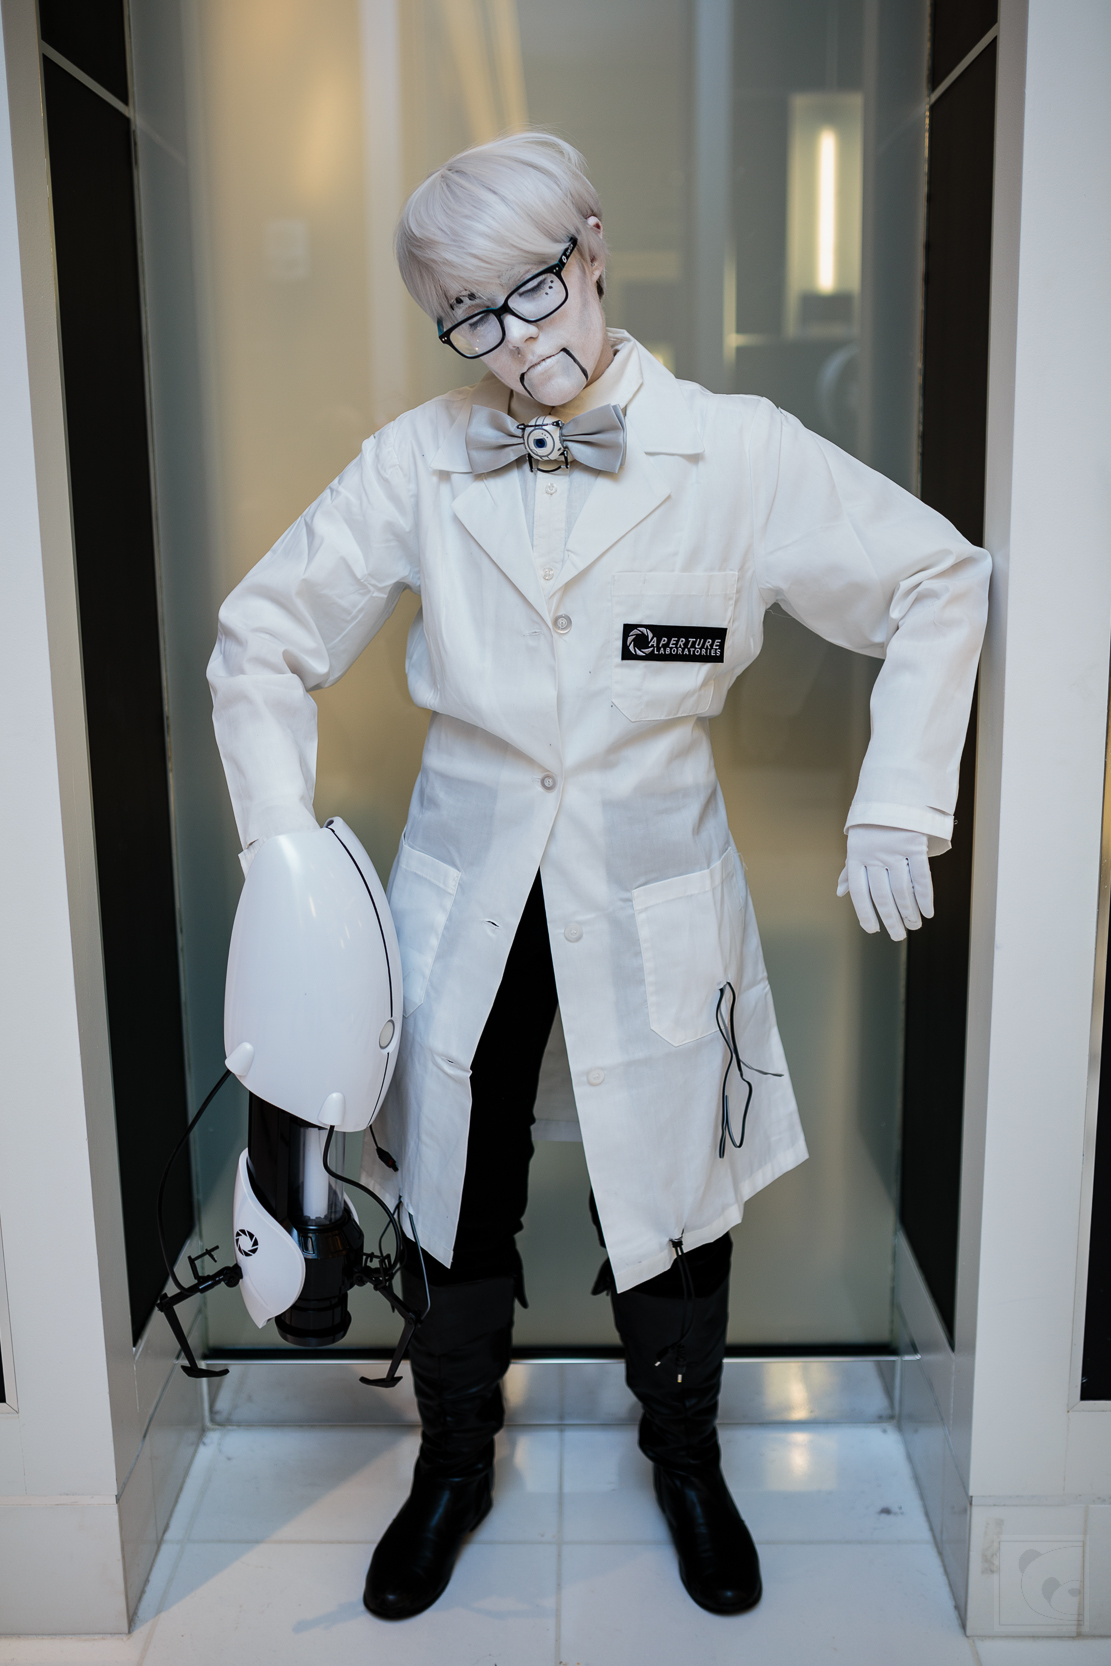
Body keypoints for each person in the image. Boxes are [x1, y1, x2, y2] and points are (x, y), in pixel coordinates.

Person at [208, 132, 990, 1621]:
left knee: (673, 1180)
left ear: (594, 249)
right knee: (454, 1183)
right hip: (472, 881)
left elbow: (938, 576)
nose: (516, 343)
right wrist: (280, 857)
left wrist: (900, 799)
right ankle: (453, 1461)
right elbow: (261, 641)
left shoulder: (736, 451)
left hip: (650, 879)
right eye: (470, 318)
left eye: (535, 290)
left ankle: (686, 1458)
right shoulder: (417, 458)